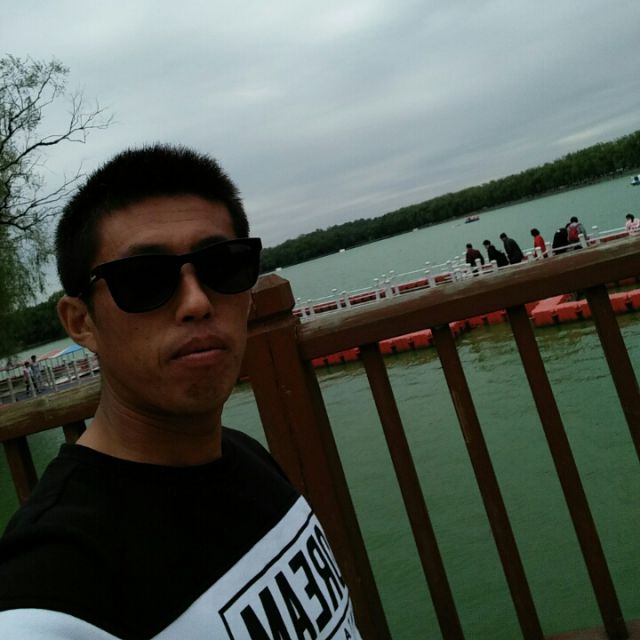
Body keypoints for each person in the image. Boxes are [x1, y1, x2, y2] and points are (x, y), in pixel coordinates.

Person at [0, 145, 361, 639]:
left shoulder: (246, 456)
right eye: (144, 279)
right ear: (81, 322)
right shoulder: (54, 586)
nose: (196, 302)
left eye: (223, 266)